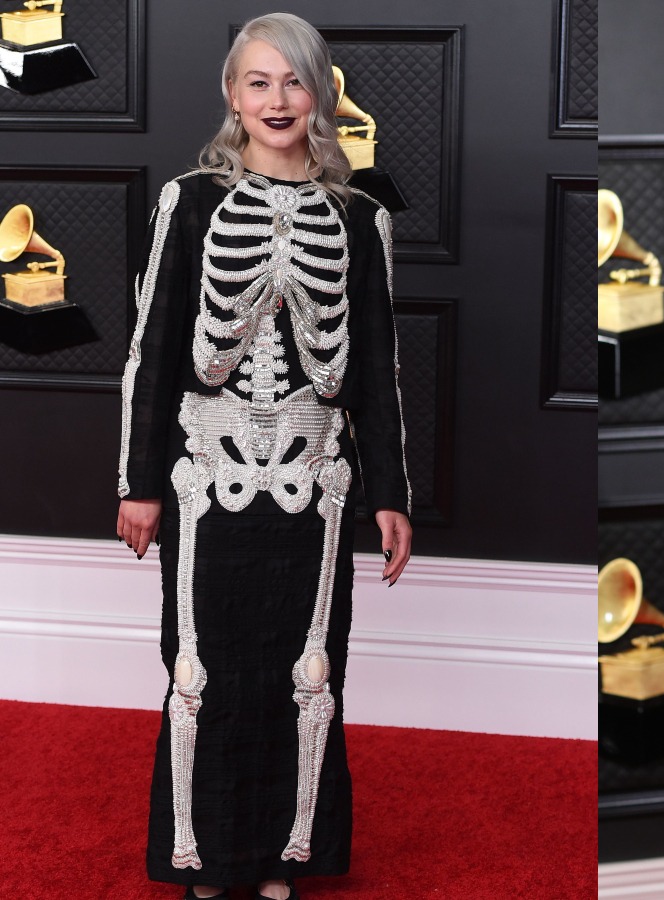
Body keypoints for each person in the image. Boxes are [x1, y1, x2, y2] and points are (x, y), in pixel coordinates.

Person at [115, 13, 411, 900]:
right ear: (232, 94)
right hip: (206, 477)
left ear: (318, 94)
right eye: (258, 81)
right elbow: (155, 347)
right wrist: (138, 482)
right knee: (199, 669)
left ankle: (286, 855)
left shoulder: (361, 215)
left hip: (315, 486)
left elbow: (377, 369)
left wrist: (390, 492)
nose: (277, 100)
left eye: (293, 82)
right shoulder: (192, 200)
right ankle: (204, 858)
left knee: (306, 671)